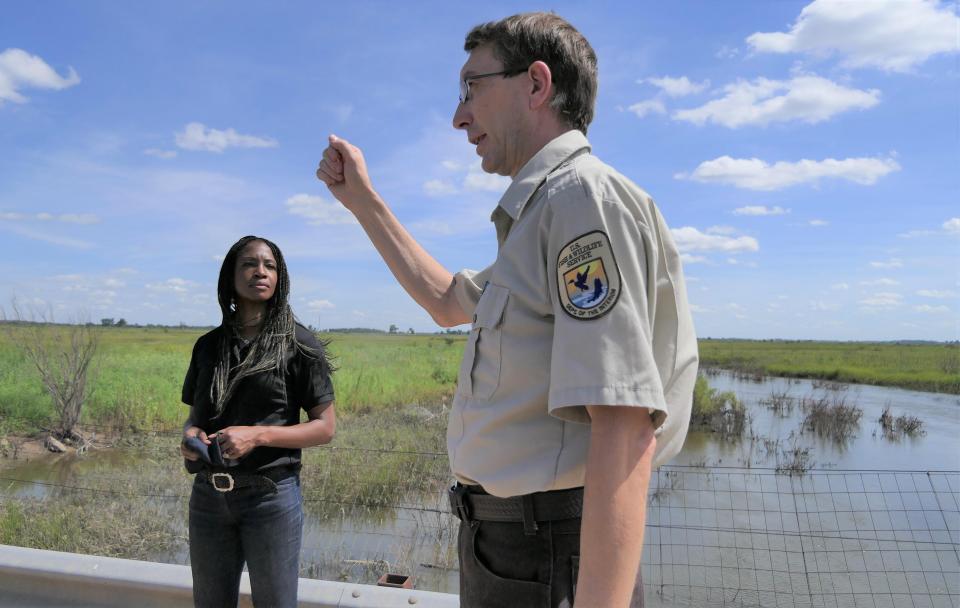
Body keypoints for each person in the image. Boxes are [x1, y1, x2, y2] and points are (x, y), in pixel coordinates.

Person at [315, 12, 697, 608]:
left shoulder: (580, 199)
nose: (458, 116)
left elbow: (623, 425)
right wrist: (363, 202)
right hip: (513, 546)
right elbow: (447, 302)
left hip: (547, 550)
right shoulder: (542, 215)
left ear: (536, 85)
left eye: (472, 88)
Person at [180, 235, 336, 608]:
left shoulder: (298, 344)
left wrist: (258, 436)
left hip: (271, 497)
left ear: (280, 278)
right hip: (207, 497)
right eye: (249, 264)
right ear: (230, 276)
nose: (260, 272)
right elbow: (193, 420)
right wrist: (190, 438)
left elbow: (325, 428)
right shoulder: (208, 346)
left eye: (270, 266)